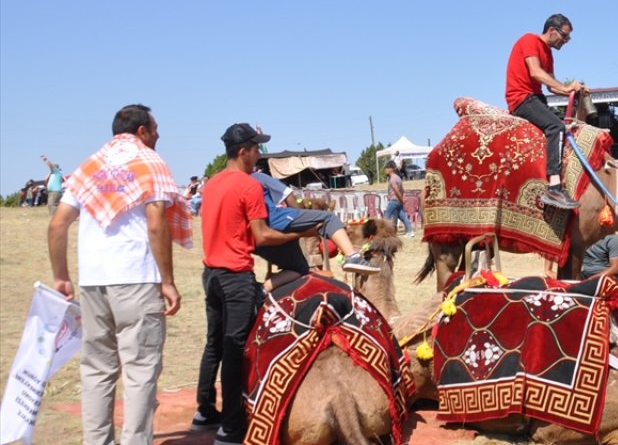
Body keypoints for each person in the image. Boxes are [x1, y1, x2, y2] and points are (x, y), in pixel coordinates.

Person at [47, 103, 184, 445]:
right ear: (142, 131)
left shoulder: (89, 166)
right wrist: (167, 281)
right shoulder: (151, 163)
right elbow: (156, 223)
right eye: (155, 128)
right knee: (140, 371)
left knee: (96, 370)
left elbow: (57, 223)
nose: (158, 134)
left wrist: (61, 276)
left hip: (93, 280)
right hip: (136, 277)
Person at [194, 124, 319, 444]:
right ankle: (232, 428)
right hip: (236, 277)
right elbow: (262, 235)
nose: (259, 154)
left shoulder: (211, 184)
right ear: (242, 151)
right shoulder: (247, 186)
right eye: (256, 148)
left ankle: (204, 411)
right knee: (238, 350)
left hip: (211, 274)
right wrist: (302, 233)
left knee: (216, 344)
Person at [506, 14, 587, 210]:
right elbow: (535, 72)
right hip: (522, 98)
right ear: (552, 30)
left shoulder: (548, 53)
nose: (566, 41)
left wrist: (572, 88)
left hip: (536, 98)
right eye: (565, 36)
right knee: (555, 126)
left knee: (565, 128)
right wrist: (566, 88)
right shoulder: (529, 40)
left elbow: (552, 86)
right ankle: (554, 188)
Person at [250, 170, 379, 274]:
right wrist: (301, 214)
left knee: (300, 269)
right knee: (329, 218)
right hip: (276, 221)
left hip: (256, 234)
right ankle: (353, 257)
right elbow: (289, 195)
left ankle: (264, 289)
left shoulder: (237, 183)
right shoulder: (258, 177)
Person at [383, 161, 415, 237]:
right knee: (403, 217)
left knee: (386, 216)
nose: (385, 170)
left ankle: (383, 233)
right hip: (397, 200)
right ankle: (410, 231)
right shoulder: (398, 178)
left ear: (391, 169)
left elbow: (397, 191)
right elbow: (402, 190)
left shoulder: (393, 179)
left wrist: (401, 200)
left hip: (394, 201)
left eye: (386, 168)